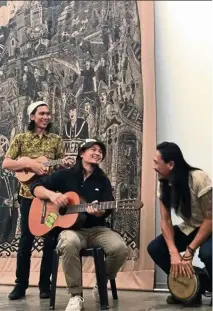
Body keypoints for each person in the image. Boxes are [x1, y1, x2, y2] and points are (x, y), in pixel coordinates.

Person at [30, 139, 128, 311]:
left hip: (97, 229)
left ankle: (101, 282)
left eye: (100, 151)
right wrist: (52, 196)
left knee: (119, 248)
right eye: (93, 149)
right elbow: (35, 187)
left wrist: (99, 212)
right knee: (69, 243)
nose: (97, 153)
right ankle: (76, 296)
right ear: (82, 153)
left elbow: (108, 206)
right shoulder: (65, 174)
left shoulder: (103, 180)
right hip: (71, 230)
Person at [2, 101, 74, 300]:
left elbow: (63, 167)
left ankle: (45, 285)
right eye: (41, 113)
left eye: (48, 113)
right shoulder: (21, 138)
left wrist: (64, 164)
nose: (46, 117)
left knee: (50, 242)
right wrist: (28, 163)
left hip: (50, 199)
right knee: (26, 241)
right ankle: (20, 285)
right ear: (32, 117)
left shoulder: (56, 140)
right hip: (28, 198)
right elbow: (7, 163)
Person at [147, 142, 212, 306]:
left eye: (156, 162)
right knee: (155, 248)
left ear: (170, 164)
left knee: (208, 254)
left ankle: (206, 283)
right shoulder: (163, 184)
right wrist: (173, 252)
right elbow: (165, 220)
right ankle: (193, 287)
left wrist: (190, 251)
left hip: (209, 225)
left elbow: (210, 218)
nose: (154, 167)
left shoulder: (198, 178)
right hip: (191, 226)